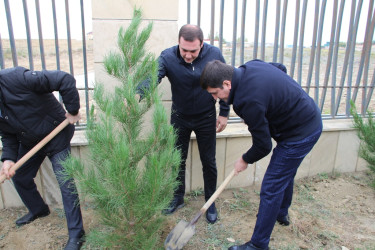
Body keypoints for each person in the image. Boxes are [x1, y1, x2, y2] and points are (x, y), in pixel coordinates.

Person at [200, 59, 322, 250]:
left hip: (300, 133)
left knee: (271, 187)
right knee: (284, 172)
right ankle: (281, 213)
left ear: (227, 83)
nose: (216, 98)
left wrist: (244, 159)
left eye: (215, 93)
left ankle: (258, 245)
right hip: (304, 119)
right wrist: (279, 98)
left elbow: (263, 145)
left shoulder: (248, 101)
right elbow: (280, 68)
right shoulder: (250, 66)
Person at [137, 24, 230, 224]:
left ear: (202, 45)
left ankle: (210, 202)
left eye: (193, 51)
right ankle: (177, 198)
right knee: (177, 160)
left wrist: (224, 112)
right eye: (184, 50)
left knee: (209, 161)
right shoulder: (168, 56)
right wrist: (137, 94)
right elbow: (154, 76)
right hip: (180, 116)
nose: (188, 55)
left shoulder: (214, 54)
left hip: (206, 117)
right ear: (178, 43)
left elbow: (224, 82)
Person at [0, 67, 85, 250]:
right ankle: (39, 209)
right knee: (20, 175)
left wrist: (72, 110)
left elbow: (65, 79)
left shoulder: (16, 79)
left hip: (56, 132)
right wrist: (8, 159)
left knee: (65, 182)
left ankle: (77, 234)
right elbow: (7, 134)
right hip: (30, 139)